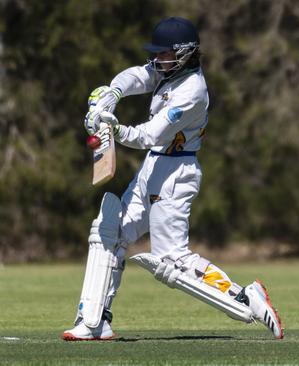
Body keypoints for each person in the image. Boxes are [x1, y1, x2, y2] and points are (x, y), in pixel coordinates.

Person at [62, 17, 283, 341]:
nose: (157, 60)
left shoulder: (192, 91)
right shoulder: (167, 70)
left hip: (176, 175)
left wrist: (113, 128)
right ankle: (95, 322)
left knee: (172, 262)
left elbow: (150, 135)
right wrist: (113, 93)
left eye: (163, 54)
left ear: (184, 53)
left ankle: (245, 297)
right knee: (110, 233)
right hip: (153, 167)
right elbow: (137, 75)